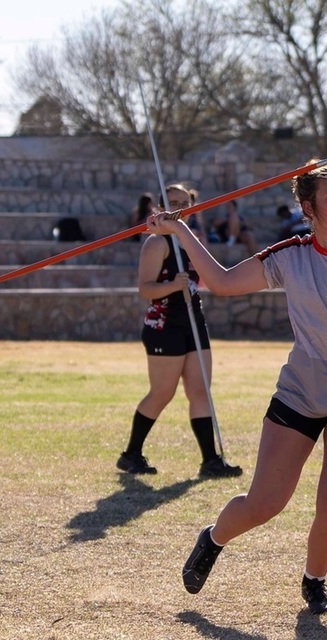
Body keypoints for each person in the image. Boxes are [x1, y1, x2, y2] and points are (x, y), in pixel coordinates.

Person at [145, 160, 327, 614]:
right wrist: (180, 231)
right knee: (265, 503)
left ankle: (314, 581)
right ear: (309, 208)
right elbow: (220, 282)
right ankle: (213, 537)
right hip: (300, 394)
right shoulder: (290, 256)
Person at [118, 183, 242, 479]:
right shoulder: (156, 243)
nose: (177, 208)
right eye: (171, 202)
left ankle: (210, 461)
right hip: (164, 325)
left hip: (193, 321)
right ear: (160, 208)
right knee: (162, 393)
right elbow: (144, 289)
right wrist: (174, 285)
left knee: (201, 391)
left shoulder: (192, 241)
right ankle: (131, 454)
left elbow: (209, 277)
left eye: (183, 203)